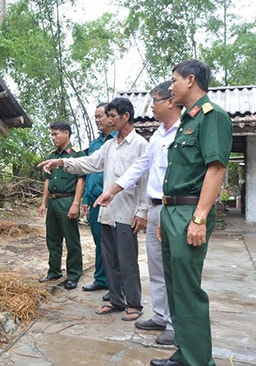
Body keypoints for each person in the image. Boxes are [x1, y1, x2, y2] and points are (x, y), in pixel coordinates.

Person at [149, 60, 232, 366]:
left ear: (191, 80)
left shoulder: (213, 117)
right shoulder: (187, 120)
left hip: (189, 212)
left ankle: (199, 362)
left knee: (188, 290)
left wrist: (199, 218)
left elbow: (216, 169)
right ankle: (185, 354)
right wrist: (166, 216)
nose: (170, 87)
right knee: (175, 288)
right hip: (173, 211)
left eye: (174, 80)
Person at [38, 98, 148, 321]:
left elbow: (145, 180)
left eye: (113, 116)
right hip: (106, 210)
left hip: (127, 211)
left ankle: (134, 303)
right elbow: (89, 163)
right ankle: (116, 300)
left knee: (127, 260)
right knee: (109, 259)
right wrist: (61, 163)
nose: (109, 120)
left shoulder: (140, 145)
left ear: (126, 116)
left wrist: (142, 211)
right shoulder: (109, 145)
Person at [95, 81, 181, 345]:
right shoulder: (156, 136)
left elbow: (144, 178)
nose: (151, 106)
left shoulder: (172, 134)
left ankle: (170, 322)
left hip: (167, 208)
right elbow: (140, 170)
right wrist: (113, 189)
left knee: (166, 269)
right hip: (131, 208)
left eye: (155, 101)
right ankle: (159, 316)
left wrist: (141, 210)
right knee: (153, 268)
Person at [38, 121, 86, 290]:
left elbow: (81, 180)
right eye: (51, 134)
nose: (53, 138)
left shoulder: (76, 155)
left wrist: (75, 204)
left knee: (71, 239)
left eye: (56, 134)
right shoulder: (52, 156)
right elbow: (47, 180)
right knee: (52, 238)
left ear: (66, 133)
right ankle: (54, 271)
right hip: (53, 201)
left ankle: (73, 274)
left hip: (68, 200)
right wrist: (43, 202)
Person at [81, 103, 116, 302]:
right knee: (98, 241)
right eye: (95, 117)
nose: (97, 120)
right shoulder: (95, 144)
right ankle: (101, 278)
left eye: (100, 116)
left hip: (111, 199)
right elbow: (88, 171)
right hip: (94, 200)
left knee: (113, 242)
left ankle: (116, 283)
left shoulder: (116, 141)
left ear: (111, 118)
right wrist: (85, 198)